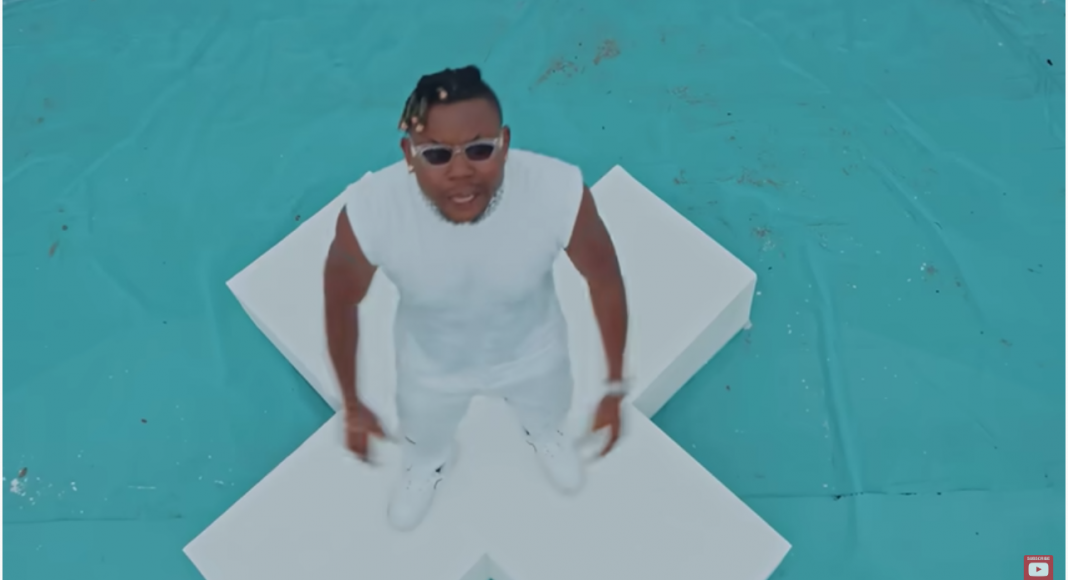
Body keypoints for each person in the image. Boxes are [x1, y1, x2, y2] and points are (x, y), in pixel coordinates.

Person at [323, 65, 629, 532]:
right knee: (424, 438)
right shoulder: (372, 211)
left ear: (504, 142)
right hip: (430, 366)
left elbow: (604, 279)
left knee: (547, 412)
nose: (461, 171)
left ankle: (544, 434)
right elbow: (341, 301)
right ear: (408, 154)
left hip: (534, 351)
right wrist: (351, 403)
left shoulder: (559, 192)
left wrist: (614, 386)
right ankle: (426, 465)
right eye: (436, 154)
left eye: (480, 149)